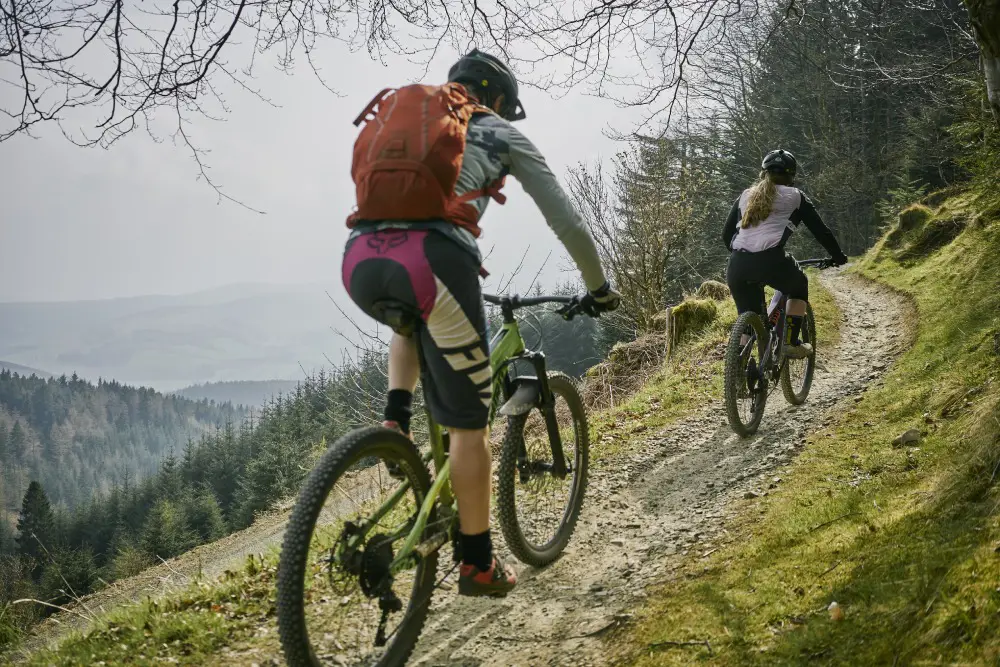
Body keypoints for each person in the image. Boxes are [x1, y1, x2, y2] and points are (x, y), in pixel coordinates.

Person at [341, 49, 620, 598]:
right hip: (436, 262)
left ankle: (395, 425)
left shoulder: (416, 116)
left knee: (411, 324)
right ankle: (476, 563)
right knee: (471, 427)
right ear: (496, 99)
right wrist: (598, 286)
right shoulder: (497, 130)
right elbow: (564, 218)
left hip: (361, 256)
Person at [721, 149, 848, 359]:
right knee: (799, 285)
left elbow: (726, 235)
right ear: (791, 176)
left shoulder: (745, 195)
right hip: (771, 261)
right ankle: (790, 342)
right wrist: (838, 256)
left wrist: (744, 256)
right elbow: (821, 231)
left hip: (737, 264)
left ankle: (738, 368)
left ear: (764, 173)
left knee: (747, 320)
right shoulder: (795, 196)